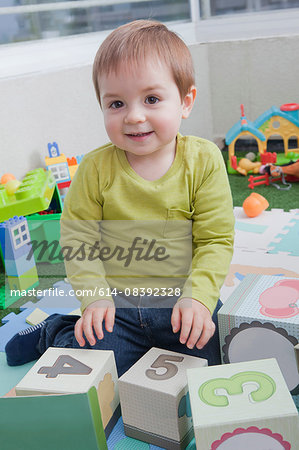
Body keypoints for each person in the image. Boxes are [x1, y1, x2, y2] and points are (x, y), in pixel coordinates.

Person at [5, 20, 234, 376]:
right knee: (93, 365)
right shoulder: (95, 169)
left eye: (152, 99)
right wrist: (94, 297)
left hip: (183, 304)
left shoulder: (203, 160)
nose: (134, 116)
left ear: (186, 101)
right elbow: (79, 238)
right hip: (117, 309)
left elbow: (215, 239)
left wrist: (199, 298)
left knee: (218, 356)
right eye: (116, 103)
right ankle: (53, 331)